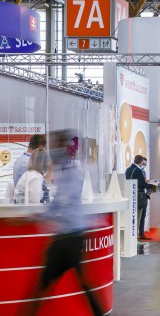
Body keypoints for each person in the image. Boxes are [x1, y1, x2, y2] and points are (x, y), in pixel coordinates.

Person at [16, 130, 104, 316]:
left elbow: (61, 203)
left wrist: (36, 218)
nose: (51, 150)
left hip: (66, 239)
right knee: (83, 284)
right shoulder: (67, 171)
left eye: (54, 145)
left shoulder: (68, 172)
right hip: (74, 236)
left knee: (42, 286)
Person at [126, 155, 150, 240]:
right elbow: (142, 184)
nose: (144, 164)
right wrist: (150, 185)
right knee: (141, 215)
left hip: (131, 195)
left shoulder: (128, 169)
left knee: (133, 216)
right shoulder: (138, 171)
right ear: (141, 162)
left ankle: (133, 236)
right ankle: (140, 235)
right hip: (140, 196)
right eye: (143, 162)